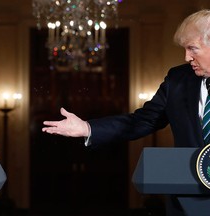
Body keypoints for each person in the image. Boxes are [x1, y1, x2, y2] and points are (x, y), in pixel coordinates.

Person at [42, 9, 210, 216]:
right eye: (185, 49)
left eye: (193, 49)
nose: (186, 57)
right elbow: (142, 120)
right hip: (186, 201)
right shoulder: (177, 79)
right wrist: (88, 128)